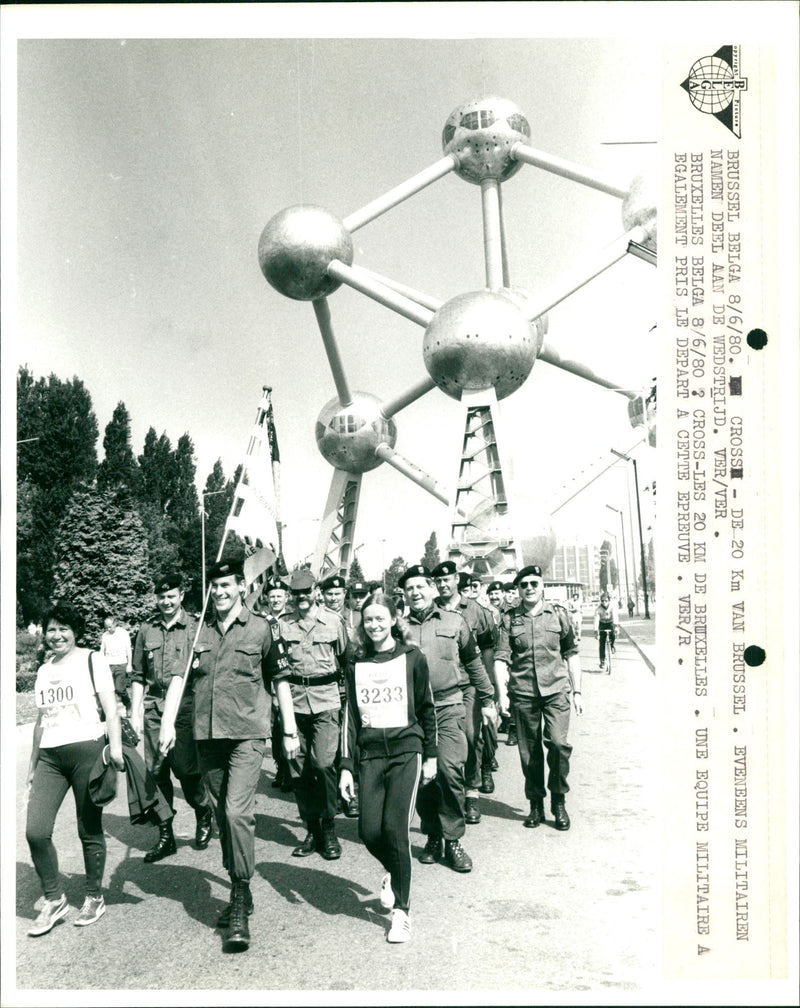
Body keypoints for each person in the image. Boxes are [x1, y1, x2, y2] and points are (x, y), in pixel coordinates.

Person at [158, 557, 299, 953]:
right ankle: (241, 883)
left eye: (226, 586)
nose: (219, 593)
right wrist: (168, 723)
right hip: (208, 737)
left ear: (241, 586)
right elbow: (176, 681)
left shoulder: (262, 628)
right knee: (222, 815)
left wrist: (288, 729)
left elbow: (281, 679)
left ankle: (238, 896)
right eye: (213, 587)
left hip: (247, 736)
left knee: (237, 812)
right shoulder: (196, 632)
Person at [339, 591, 437, 944]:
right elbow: (349, 717)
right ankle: (394, 874)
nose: (375, 625)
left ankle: (402, 913)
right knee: (368, 832)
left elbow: (427, 709)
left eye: (381, 618)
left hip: (406, 752)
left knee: (396, 830)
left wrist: (432, 756)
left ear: (394, 619)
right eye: (368, 620)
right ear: (361, 626)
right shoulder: (356, 662)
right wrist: (347, 767)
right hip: (370, 756)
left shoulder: (412, 657)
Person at [25, 600, 124, 935]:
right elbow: (42, 719)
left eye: (63, 629)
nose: (56, 636)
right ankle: (54, 900)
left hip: (88, 750)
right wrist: (32, 763)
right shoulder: (43, 668)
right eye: (51, 629)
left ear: (75, 631)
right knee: (35, 831)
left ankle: (94, 896)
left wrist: (117, 748)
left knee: (88, 827)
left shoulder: (93, 659)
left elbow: (111, 709)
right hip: (51, 756)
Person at [401, 564, 497, 873]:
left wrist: (489, 700)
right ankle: (432, 835)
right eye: (409, 588)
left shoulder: (455, 622)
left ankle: (453, 839)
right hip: (413, 714)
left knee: (450, 771)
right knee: (424, 778)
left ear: (431, 588)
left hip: (449, 705)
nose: (415, 592)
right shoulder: (397, 629)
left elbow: (474, 663)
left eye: (420, 586)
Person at [130, 573, 214, 863]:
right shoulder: (146, 630)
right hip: (154, 710)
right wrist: (134, 712)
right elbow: (138, 675)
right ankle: (166, 833)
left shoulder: (195, 626)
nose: (166, 601)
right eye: (161, 597)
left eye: (171, 596)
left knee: (187, 772)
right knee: (155, 774)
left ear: (181, 596)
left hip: (185, 711)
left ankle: (203, 811)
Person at [494, 566, 584, 831]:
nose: (530, 588)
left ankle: (558, 801)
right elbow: (501, 660)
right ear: (518, 590)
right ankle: (535, 804)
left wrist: (577, 691)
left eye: (534, 583)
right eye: (524, 585)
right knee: (530, 753)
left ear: (542, 586)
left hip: (556, 691)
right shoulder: (509, 619)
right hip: (523, 694)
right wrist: (502, 696)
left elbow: (571, 654)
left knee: (558, 745)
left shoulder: (559, 615)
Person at [277, 568, 349, 861]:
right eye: (296, 593)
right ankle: (312, 830)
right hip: (294, 704)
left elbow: (346, 660)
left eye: (306, 592)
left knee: (322, 765)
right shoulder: (283, 625)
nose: (301, 598)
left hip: (326, 701)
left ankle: (329, 826)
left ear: (316, 591)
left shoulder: (333, 621)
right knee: (298, 770)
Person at [431, 560, 496, 815]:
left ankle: (471, 788)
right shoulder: (432, 609)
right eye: (439, 581)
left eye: (447, 579)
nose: (443, 584)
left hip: (469, 685)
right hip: (443, 686)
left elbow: (488, 649)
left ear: (457, 579)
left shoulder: (476, 610)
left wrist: (490, 690)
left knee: (470, 735)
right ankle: (445, 790)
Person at [320, 572, 360, 819]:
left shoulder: (356, 616)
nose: (334, 598)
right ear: (322, 595)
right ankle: (336, 791)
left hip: (352, 684)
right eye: (329, 594)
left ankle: (352, 792)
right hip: (330, 689)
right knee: (332, 743)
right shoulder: (321, 619)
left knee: (352, 739)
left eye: (337, 594)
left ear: (345, 594)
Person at [259, 579, 293, 793]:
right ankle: (281, 767)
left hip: (289, 681)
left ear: (286, 598)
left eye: (279, 596)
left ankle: (290, 771)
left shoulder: (291, 619)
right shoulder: (262, 620)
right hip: (270, 680)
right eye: (272, 596)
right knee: (274, 730)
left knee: (287, 726)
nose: (275, 600)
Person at [100, 613, 132, 715]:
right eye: (106, 627)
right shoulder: (105, 636)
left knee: (120, 689)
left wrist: (129, 664)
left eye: (110, 627)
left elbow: (128, 649)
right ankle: (109, 713)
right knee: (109, 690)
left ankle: (128, 704)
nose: (108, 629)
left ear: (115, 624)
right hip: (108, 665)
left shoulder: (123, 633)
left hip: (121, 664)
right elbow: (102, 651)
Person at [594, 592, 619, 671]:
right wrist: (596, 631)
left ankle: (612, 646)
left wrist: (616, 627)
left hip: (610, 623)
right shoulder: (598, 609)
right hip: (602, 624)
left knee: (613, 635)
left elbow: (615, 616)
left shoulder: (612, 607)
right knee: (601, 642)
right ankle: (602, 660)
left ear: (609, 600)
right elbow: (596, 621)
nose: (604, 602)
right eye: (602, 601)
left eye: (606, 600)